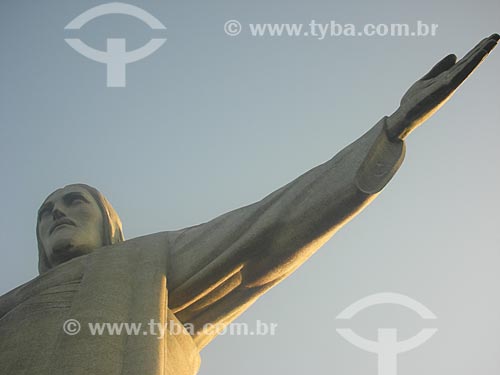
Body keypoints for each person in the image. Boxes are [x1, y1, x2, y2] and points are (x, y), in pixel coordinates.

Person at [0, 34, 498, 375]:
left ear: (110, 224)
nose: (57, 213)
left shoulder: (148, 266)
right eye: (45, 211)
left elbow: (273, 223)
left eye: (73, 201)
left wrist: (389, 131)